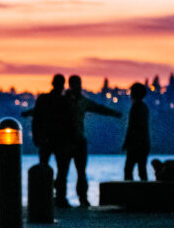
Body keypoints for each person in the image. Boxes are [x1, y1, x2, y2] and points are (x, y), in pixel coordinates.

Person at [60, 75, 122, 207]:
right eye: (77, 84)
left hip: (77, 140)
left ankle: (82, 198)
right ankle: (63, 198)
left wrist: (114, 113)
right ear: (71, 85)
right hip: (67, 141)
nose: (79, 87)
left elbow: (99, 108)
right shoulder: (65, 101)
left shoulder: (79, 101)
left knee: (79, 172)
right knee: (65, 172)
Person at [21, 74, 74, 206]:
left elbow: (36, 119)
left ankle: (44, 196)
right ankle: (60, 197)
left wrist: (36, 137)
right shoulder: (65, 102)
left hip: (47, 140)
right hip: (59, 140)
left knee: (45, 169)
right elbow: (70, 123)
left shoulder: (44, 99)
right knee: (62, 170)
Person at [123, 82, 150, 181]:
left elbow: (132, 126)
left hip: (135, 144)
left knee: (128, 169)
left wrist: (127, 142)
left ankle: (129, 192)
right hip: (144, 143)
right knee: (142, 169)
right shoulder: (144, 107)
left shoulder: (136, 107)